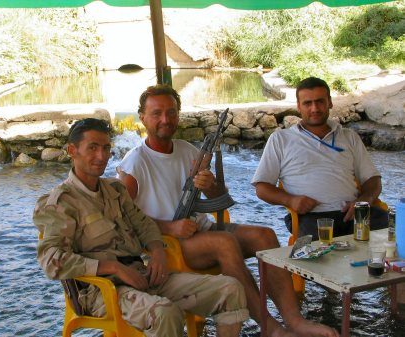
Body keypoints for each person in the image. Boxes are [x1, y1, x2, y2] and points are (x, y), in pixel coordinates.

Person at [117, 84, 339, 337]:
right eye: (156, 113)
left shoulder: (188, 150)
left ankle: (295, 320)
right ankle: (271, 328)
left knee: (265, 236)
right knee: (224, 243)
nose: (165, 119)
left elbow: (220, 198)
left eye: (171, 112)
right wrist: (169, 227)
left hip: (198, 231)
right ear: (142, 117)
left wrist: (210, 185)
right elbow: (123, 220)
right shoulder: (134, 164)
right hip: (166, 243)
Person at [33, 118, 249, 337]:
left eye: (106, 148)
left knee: (230, 289)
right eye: (92, 148)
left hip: (141, 276)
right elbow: (51, 261)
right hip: (102, 291)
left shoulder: (115, 190)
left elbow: (144, 224)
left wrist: (157, 252)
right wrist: (114, 268)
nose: (101, 156)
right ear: (72, 150)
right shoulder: (61, 203)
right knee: (165, 313)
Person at [253, 76, 388, 240]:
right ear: (298, 106)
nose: (314, 108)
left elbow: (372, 180)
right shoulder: (281, 139)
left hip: (353, 212)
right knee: (318, 259)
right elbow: (262, 188)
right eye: (307, 103)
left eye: (320, 101)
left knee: (397, 233)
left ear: (330, 102)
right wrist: (291, 200)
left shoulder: (349, 137)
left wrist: (364, 201)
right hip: (311, 217)